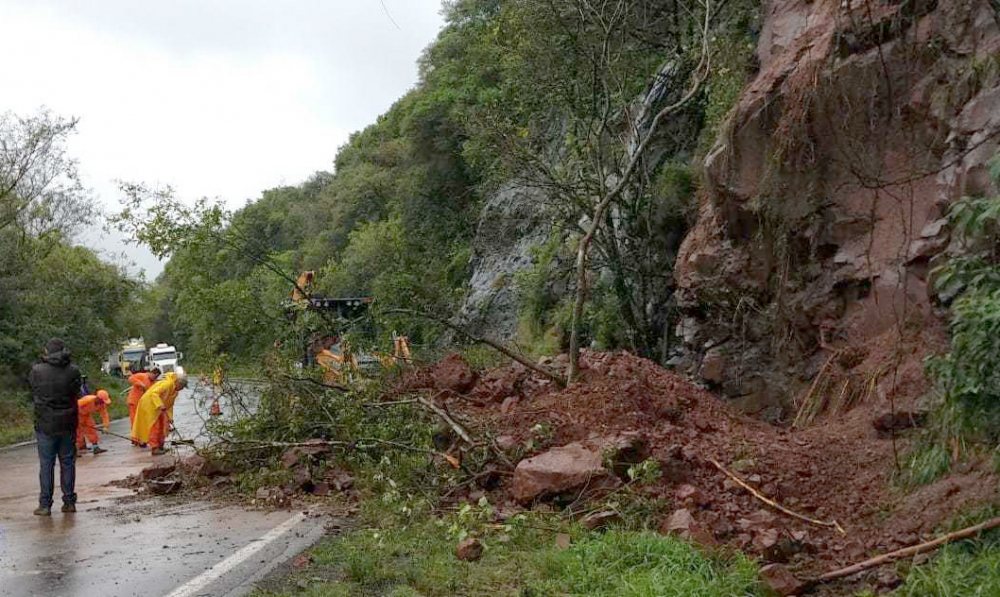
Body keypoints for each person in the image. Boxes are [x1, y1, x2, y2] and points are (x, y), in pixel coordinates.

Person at [29, 339, 82, 516]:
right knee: (67, 463)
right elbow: (76, 392)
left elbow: (33, 390)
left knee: (46, 465)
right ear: (63, 350)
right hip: (68, 423)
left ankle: (45, 505)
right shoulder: (73, 370)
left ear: (47, 351)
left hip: (45, 425)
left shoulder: (37, 370)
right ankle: (69, 502)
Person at [131, 367, 187, 456]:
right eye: (182, 386)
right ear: (178, 383)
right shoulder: (167, 383)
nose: (182, 389)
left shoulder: (175, 392)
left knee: (163, 425)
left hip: (158, 406)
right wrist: (160, 405)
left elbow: (169, 405)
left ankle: (161, 446)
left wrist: (170, 417)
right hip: (149, 404)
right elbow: (154, 394)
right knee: (155, 426)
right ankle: (155, 448)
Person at [126, 367, 160, 444]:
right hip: (134, 401)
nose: (155, 378)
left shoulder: (153, 383)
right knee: (134, 420)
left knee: (141, 421)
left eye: (157, 377)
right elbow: (131, 378)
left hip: (142, 404)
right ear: (151, 373)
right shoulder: (142, 376)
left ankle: (141, 438)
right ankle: (135, 439)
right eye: (155, 376)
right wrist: (141, 384)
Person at [76, 390, 111, 455]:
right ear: (98, 398)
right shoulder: (88, 399)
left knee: (92, 429)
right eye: (102, 401)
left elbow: (104, 415)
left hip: (87, 416)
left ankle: (96, 448)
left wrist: (105, 427)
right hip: (77, 415)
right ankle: (75, 451)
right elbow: (74, 406)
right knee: (78, 434)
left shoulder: (102, 405)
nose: (102, 403)